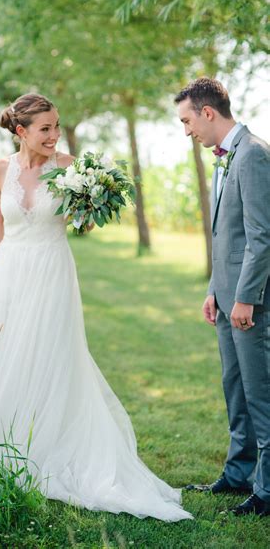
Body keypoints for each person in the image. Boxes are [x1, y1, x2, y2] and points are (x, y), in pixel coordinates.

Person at [0, 92, 192, 521]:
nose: (55, 135)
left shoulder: (74, 169)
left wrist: (89, 210)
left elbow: (86, 221)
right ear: (21, 131)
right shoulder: (0, 171)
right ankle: (1, 440)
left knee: (46, 354)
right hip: (6, 272)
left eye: (57, 126)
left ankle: (48, 444)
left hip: (51, 271)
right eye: (45, 128)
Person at [175, 78, 270, 517]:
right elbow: (224, 235)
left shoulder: (252, 155)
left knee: (260, 393)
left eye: (188, 120)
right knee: (235, 387)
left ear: (207, 112)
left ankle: (266, 491)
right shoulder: (223, 160)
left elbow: (261, 237)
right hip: (226, 299)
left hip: (251, 303)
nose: (187, 130)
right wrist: (215, 289)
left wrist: (246, 298)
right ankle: (238, 473)